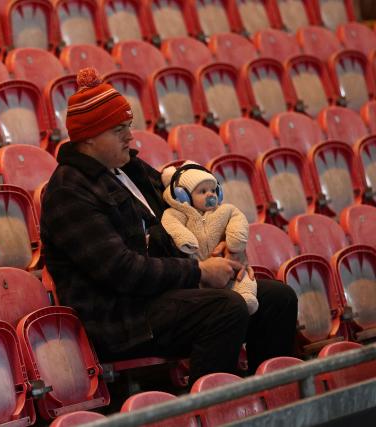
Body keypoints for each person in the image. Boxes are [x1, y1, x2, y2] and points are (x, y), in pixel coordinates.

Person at [40, 67, 298, 383]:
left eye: (128, 127)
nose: (130, 137)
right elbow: (122, 271)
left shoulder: (128, 169)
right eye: (118, 130)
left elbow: (185, 215)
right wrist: (199, 271)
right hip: (123, 318)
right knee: (226, 309)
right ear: (89, 138)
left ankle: (274, 400)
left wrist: (212, 245)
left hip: (166, 295)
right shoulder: (69, 191)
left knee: (277, 299)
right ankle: (214, 414)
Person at [160, 161, 258, 314]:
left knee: (246, 279)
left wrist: (235, 242)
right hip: (201, 274)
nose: (210, 194)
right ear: (183, 195)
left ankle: (247, 296)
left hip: (229, 268)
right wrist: (185, 239)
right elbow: (171, 223)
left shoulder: (226, 210)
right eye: (203, 191)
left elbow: (238, 220)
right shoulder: (179, 214)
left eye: (213, 190)